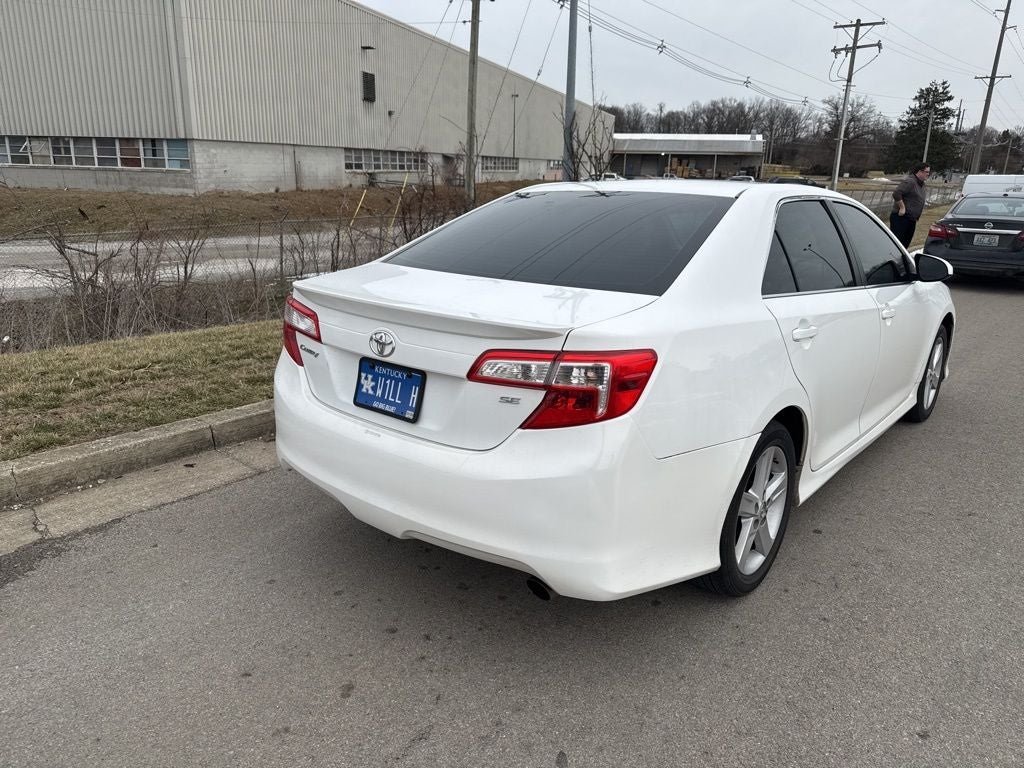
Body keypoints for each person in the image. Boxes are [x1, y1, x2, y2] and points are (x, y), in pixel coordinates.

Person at [889, 163, 930, 247]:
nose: (928, 174)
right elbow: (896, 193)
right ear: (920, 171)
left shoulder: (921, 184)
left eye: (928, 172)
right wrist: (902, 207)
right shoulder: (910, 181)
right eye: (926, 172)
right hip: (901, 219)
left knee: (905, 246)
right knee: (897, 245)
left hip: (911, 219)